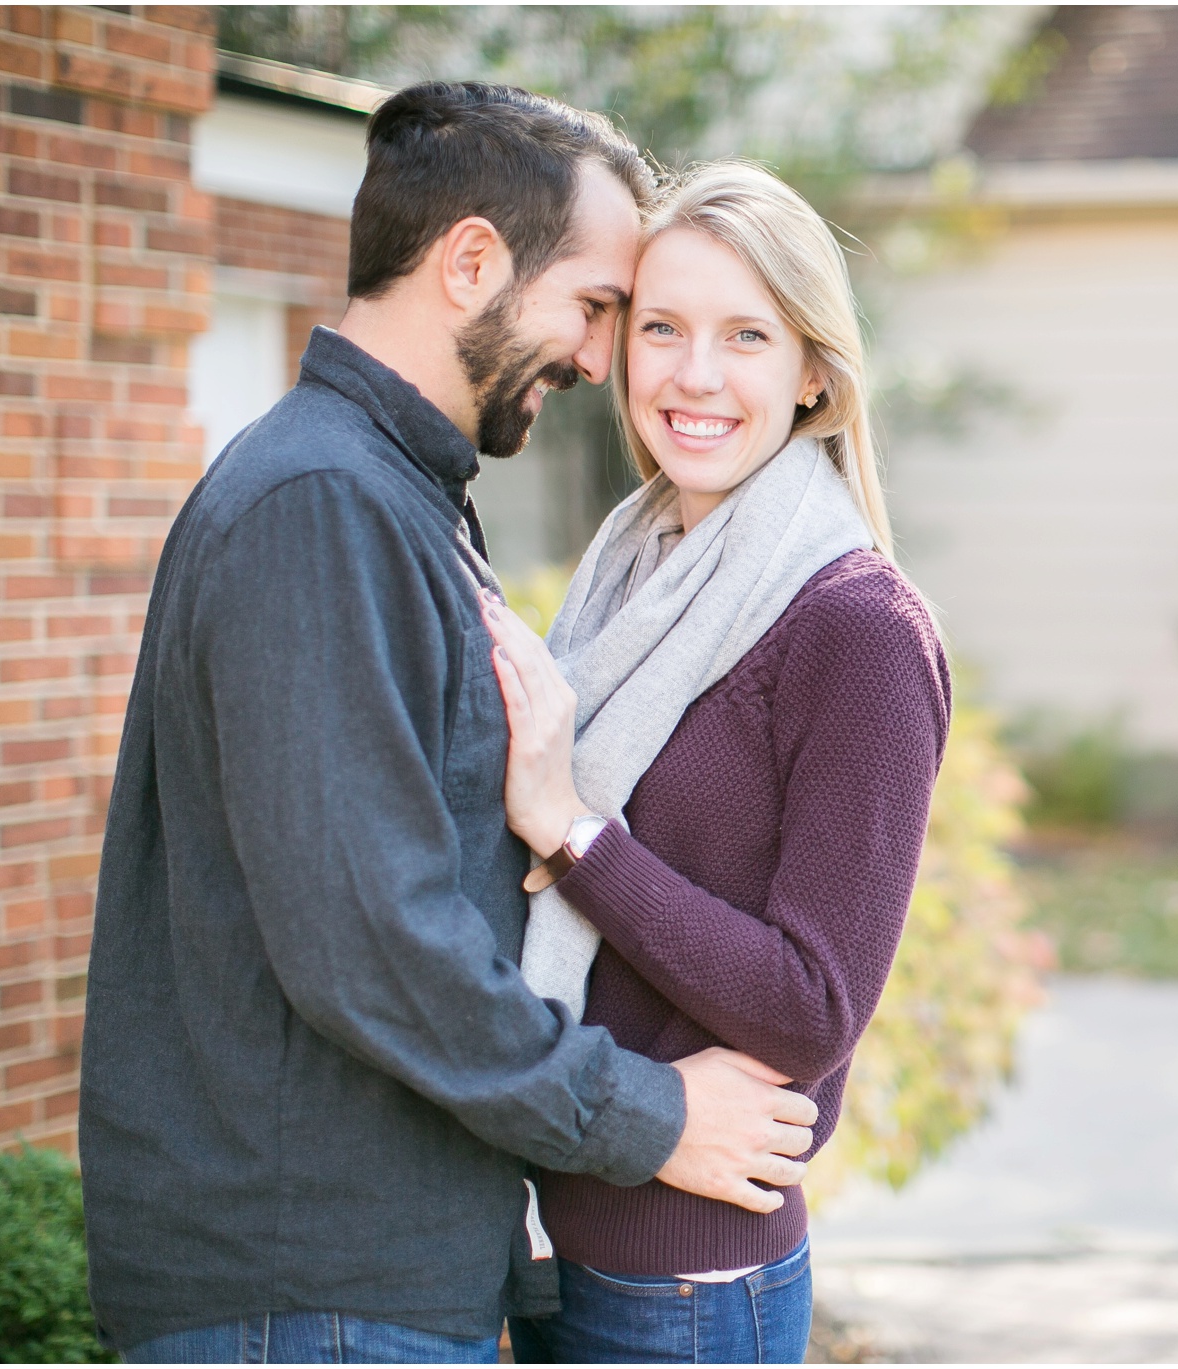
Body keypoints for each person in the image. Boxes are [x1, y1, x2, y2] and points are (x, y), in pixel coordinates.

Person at [79, 84, 815, 1365]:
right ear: (472, 260)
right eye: (593, 306)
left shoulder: (394, 498)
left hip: (354, 1290)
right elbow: (373, 941)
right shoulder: (322, 507)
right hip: (305, 1300)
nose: (601, 360)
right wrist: (645, 1114)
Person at [478, 161, 951, 1363]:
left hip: (684, 1289)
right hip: (573, 1236)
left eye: (746, 335)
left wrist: (573, 832)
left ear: (811, 373)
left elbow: (812, 1008)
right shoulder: (634, 567)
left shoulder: (854, 626)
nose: (695, 375)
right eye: (664, 328)